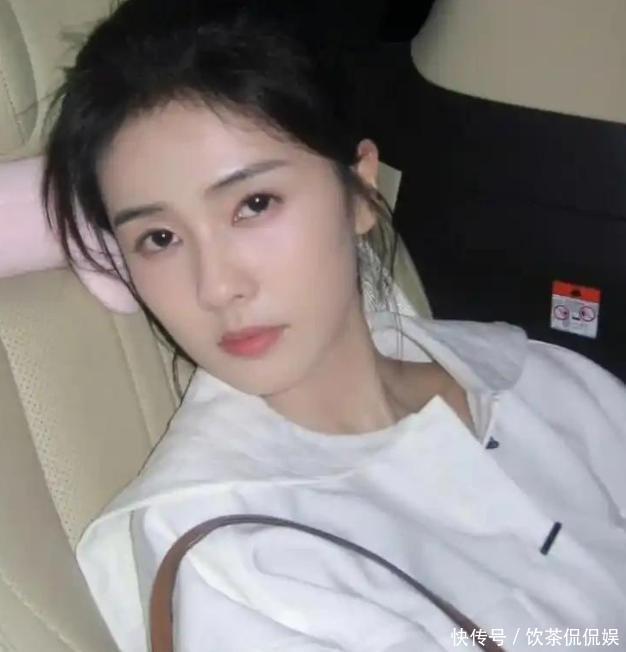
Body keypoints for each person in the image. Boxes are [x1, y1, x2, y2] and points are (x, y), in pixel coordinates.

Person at [43, 1, 626, 650]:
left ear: (359, 190)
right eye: (159, 238)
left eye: (253, 204)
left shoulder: (546, 383)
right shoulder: (233, 556)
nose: (217, 287)